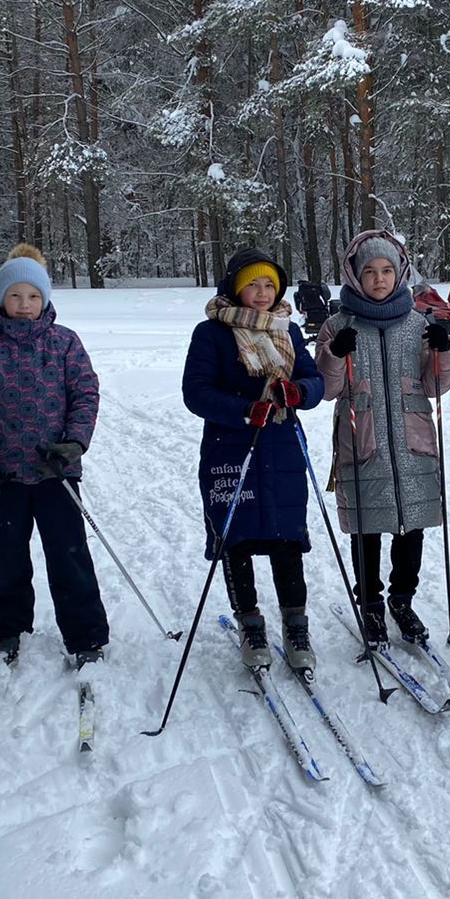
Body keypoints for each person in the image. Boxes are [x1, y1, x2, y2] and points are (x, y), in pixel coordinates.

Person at [0, 244, 108, 667]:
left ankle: (86, 636)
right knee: (5, 558)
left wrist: (74, 443)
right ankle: (7, 628)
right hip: (3, 477)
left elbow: (86, 394)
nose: (24, 305)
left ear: (46, 299)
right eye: (15, 296)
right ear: (2, 298)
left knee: (69, 555)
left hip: (55, 473)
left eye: (33, 296)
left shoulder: (64, 343)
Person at [182, 249, 324, 676]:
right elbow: (196, 391)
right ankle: (250, 624)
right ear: (235, 288)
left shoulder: (289, 330)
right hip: (231, 449)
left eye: (269, 285)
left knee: (286, 538)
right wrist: (244, 409)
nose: (262, 293)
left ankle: (296, 625)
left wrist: (298, 393)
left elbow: (314, 380)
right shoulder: (212, 333)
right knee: (236, 539)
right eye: (253, 285)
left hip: (281, 449)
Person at [315, 230, 450, 645]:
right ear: (356, 276)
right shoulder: (337, 323)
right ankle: (371, 604)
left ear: (400, 274)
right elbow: (327, 389)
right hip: (363, 441)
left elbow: (435, 386)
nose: (379, 278)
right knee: (366, 529)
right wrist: (334, 353)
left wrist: (444, 349)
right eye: (371, 271)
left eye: (387, 270)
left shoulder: (418, 323)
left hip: (414, 443)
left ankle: (402, 599)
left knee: (412, 526)